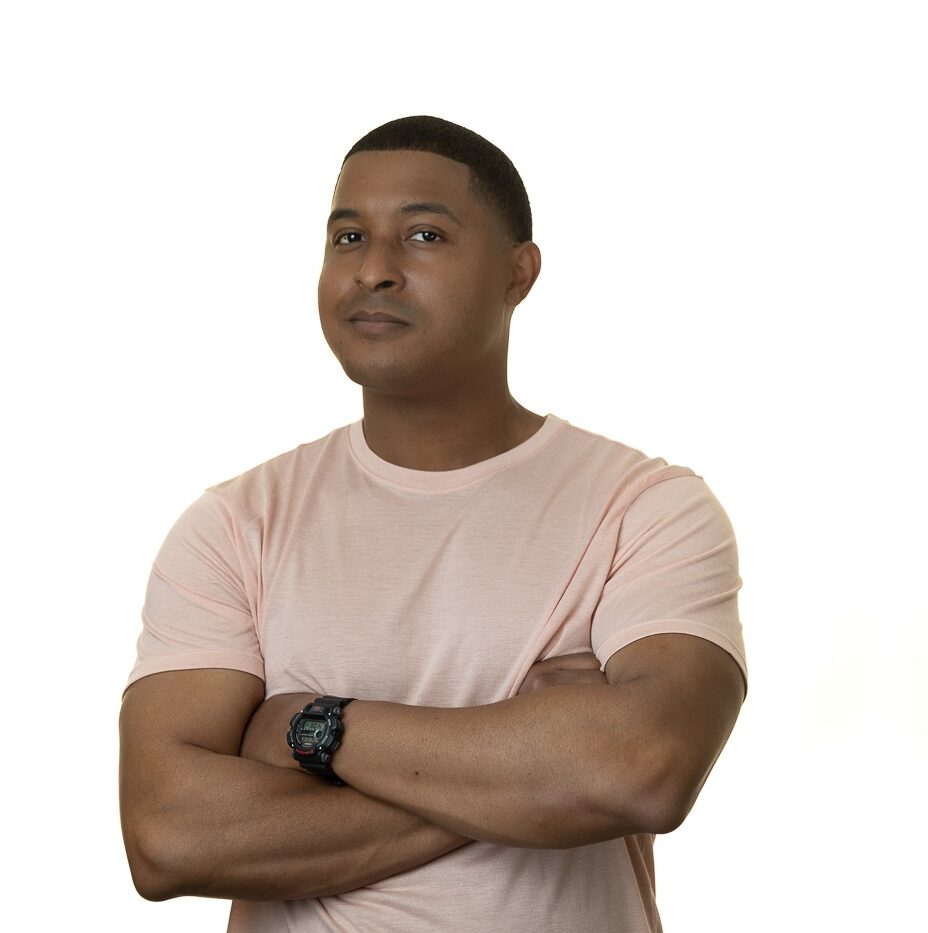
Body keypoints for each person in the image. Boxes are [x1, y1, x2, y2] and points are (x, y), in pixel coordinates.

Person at [119, 115, 747, 933]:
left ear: (517, 274)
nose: (373, 270)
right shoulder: (235, 525)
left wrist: (311, 728)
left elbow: (642, 768)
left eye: (423, 234)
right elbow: (168, 838)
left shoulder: (644, 507)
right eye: (347, 236)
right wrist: (535, 770)